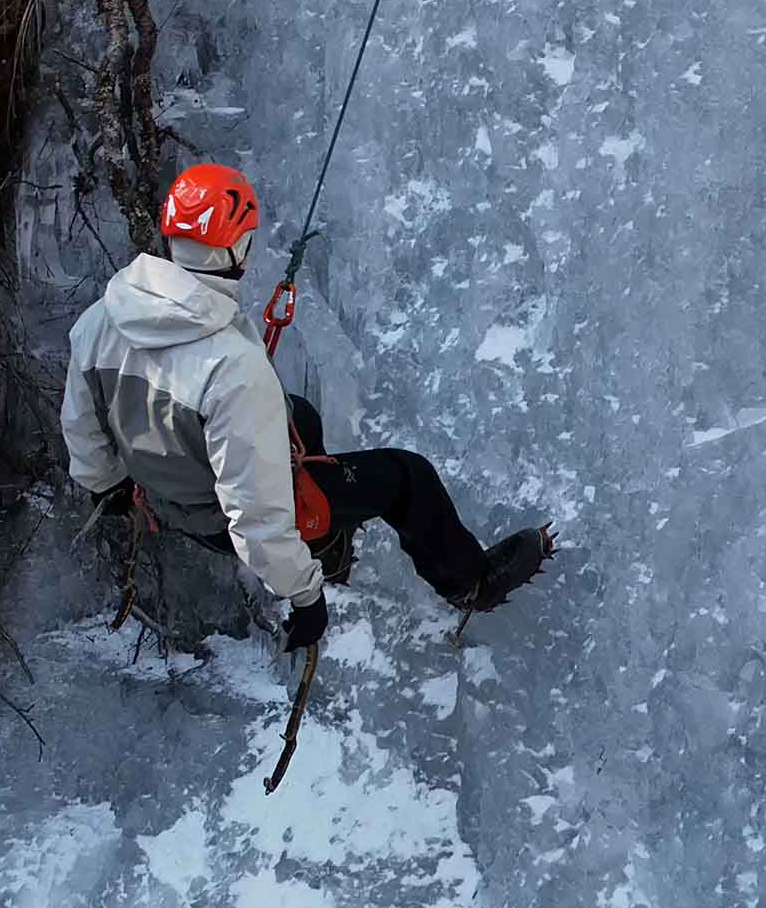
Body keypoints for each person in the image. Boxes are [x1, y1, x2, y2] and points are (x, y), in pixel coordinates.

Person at [60, 163, 553, 651]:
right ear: (236, 247)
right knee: (407, 477)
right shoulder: (231, 368)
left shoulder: (99, 322)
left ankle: (328, 527)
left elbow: (81, 427)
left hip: (166, 492)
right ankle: (470, 583)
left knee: (298, 413)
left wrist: (109, 486)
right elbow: (254, 517)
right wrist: (305, 596)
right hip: (216, 517)